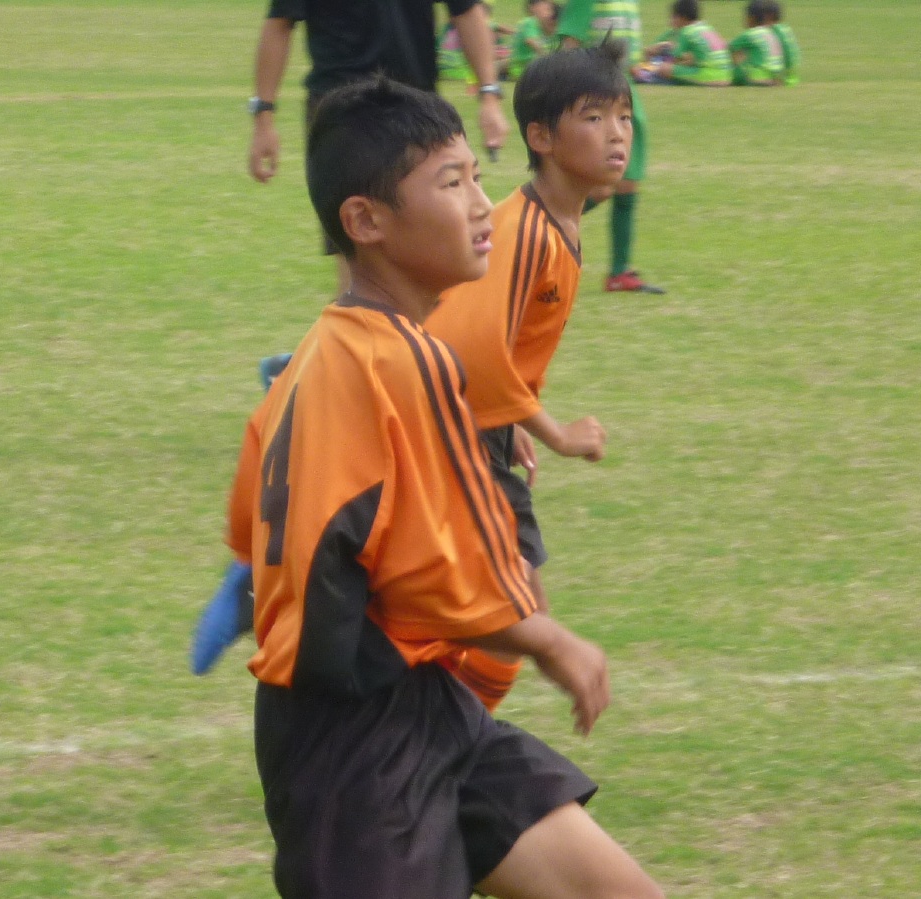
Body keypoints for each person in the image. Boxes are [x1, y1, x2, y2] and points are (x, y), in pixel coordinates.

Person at [227, 75, 664, 899]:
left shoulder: (318, 357)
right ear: (367, 221)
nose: (481, 205)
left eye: (477, 177)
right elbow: (443, 574)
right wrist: (552, 641)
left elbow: (256, 520)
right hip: (353, 746)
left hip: (430, 706)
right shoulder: (405, 362)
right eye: (452, 183)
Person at [424, 38, 632, 705]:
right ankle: (441, 752)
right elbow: (472, 348)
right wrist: (554, 432)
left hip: (470, 431)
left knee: (498, 617)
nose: (617, 134)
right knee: (518, 615)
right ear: (540, 136)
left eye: (623, 116)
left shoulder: (558, 223)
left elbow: (498, 350)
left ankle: (439, 744)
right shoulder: (525, 231)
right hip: (447, 438)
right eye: (594, 117)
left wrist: (509, 416)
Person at [247, 0, 509, 289]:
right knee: (358, 250)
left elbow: (466, 10)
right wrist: (264, 119)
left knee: (433, 240)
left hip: (416, 108)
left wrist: (489, 94)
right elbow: (280, 22)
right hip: (343, 113)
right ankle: (362, 317)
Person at [557, 0, 665, 294]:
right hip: (596, 96)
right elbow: (568, 48)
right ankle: (534, 231)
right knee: (603, 188)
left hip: (624, 94)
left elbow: (630, 54)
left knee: (628, 182)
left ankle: (619, 273)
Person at [647, 0, 732, 87]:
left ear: (681, 17)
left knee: (664, 68)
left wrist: (661, 50)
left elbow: (674, 59)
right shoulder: (707, 28)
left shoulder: (687, 31)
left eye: (674, 17)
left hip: (710, 76)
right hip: (727, 76)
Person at [729, 0, 784, 86]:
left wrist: (736, 66)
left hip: (757, 78)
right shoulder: (771, 33)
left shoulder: (750, 34)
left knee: (736, 67)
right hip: (776, 76)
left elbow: (731, 47)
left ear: (751, 18)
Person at [509, 0, 559, 81]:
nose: (549, 13)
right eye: (546, 8)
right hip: (523, 69)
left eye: (550, 9)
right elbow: (531, 41)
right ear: (532, 8)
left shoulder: (546, 26)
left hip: (536, 67)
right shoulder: (530, 22)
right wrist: (549, 59)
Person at [764, 0, 801, 86]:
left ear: (768, 16)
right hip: (792, 78)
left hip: (782, 80)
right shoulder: (784, 29)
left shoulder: (771, 32)